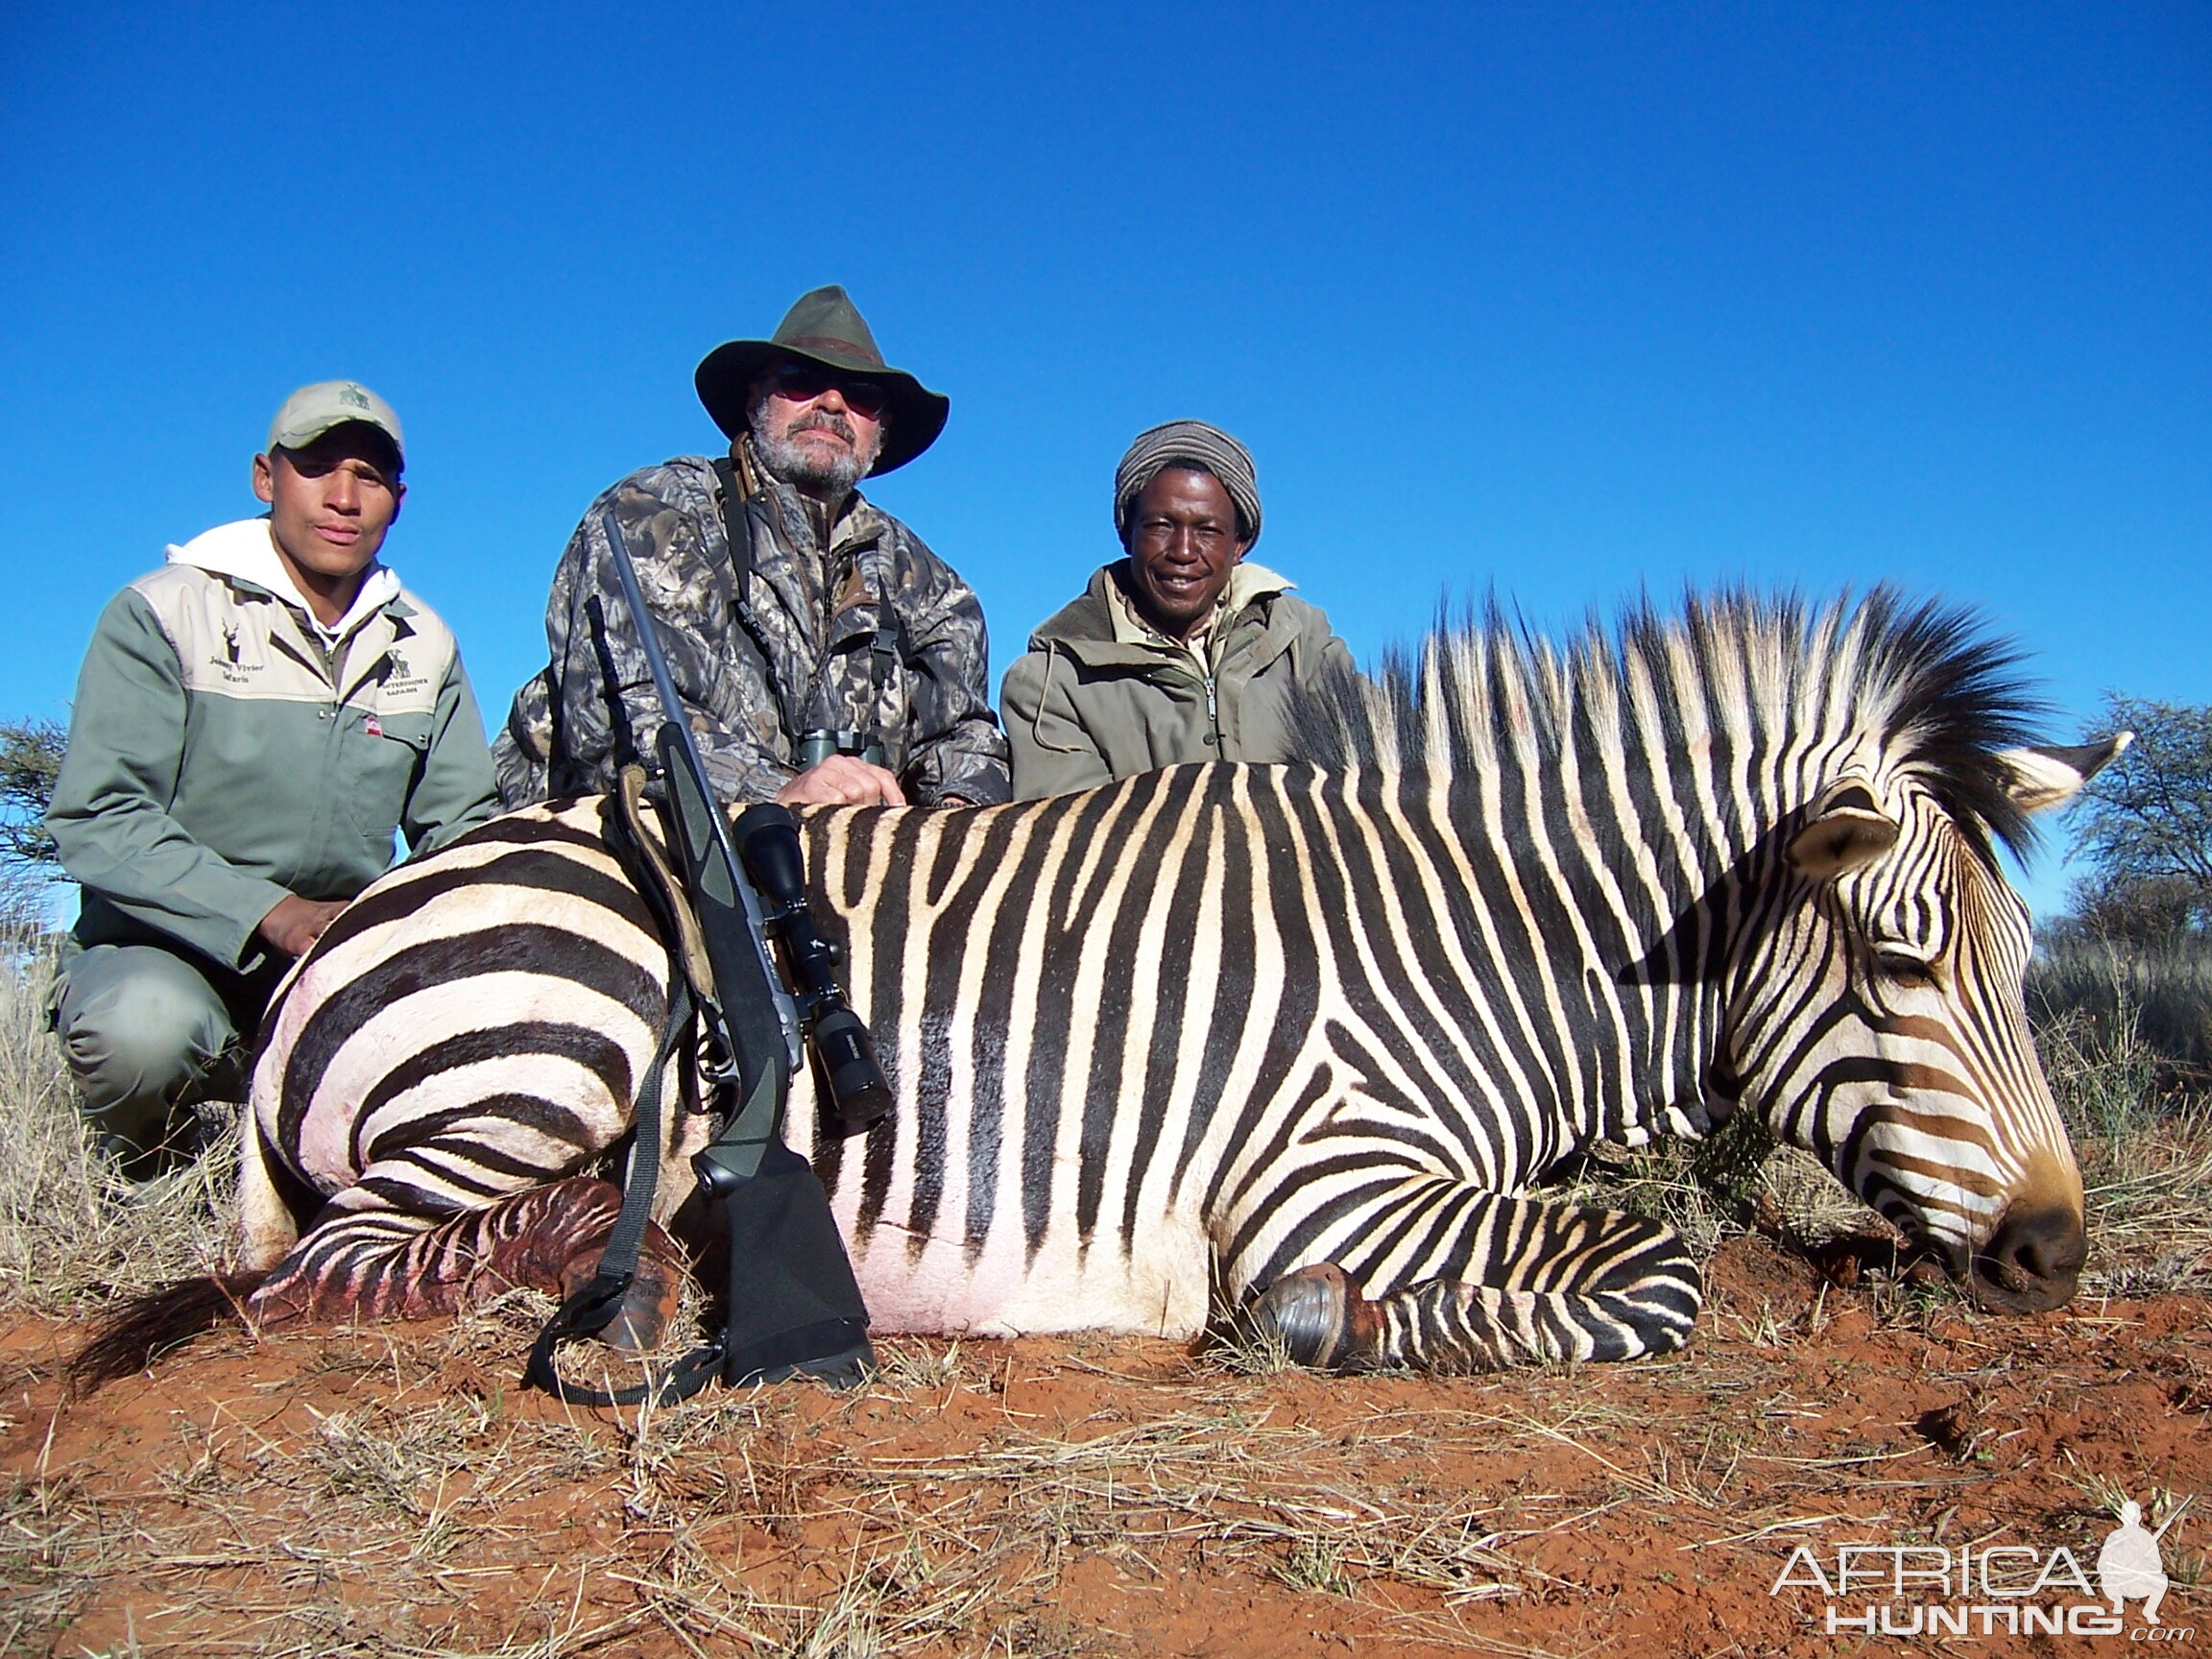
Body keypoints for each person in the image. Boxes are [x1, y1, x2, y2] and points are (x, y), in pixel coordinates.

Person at [45, 382, 502, 1175]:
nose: (343, 497)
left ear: (397, 499)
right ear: (266, 477)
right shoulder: (163, 612)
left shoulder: (423, 641)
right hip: (169, 945)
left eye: (368, 476)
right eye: (318, 466)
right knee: (146, 1030)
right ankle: (152, 1177)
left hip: (336, 951)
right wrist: (274, 913)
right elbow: (100, 817)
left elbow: (460, 824)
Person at [494, 285, 1010, 811]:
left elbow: (965, 738)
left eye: (861, 396)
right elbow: (624, 718)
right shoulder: (654, 513)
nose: (832, 404)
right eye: (801, 381)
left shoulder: (934, 588)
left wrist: (952, 822)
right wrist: (778, 791)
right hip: (623, 838)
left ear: (881, 429)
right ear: (753, 400)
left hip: (842, 857)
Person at [1001, 421, 1354, 798]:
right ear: (1126, 533)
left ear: (1239, 544)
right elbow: (1078, 838)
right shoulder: (1052, 681)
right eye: (1160, 525)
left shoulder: (1304, 644)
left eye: (1207, 530)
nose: (1183, 552)